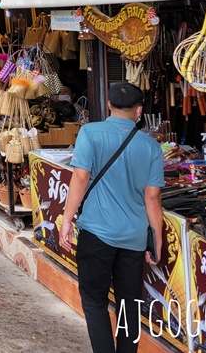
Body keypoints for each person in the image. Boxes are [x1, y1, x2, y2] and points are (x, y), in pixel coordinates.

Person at [60, 82, 164, 353]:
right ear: (139, 110)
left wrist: (67, 219)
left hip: (96, 233)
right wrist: (157, 240)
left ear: (108, 105)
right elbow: (152, 198)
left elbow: (80, 178)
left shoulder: (90, 133)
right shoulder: (151, 147)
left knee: (94, 301)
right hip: (133, 238)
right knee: (129, 305)